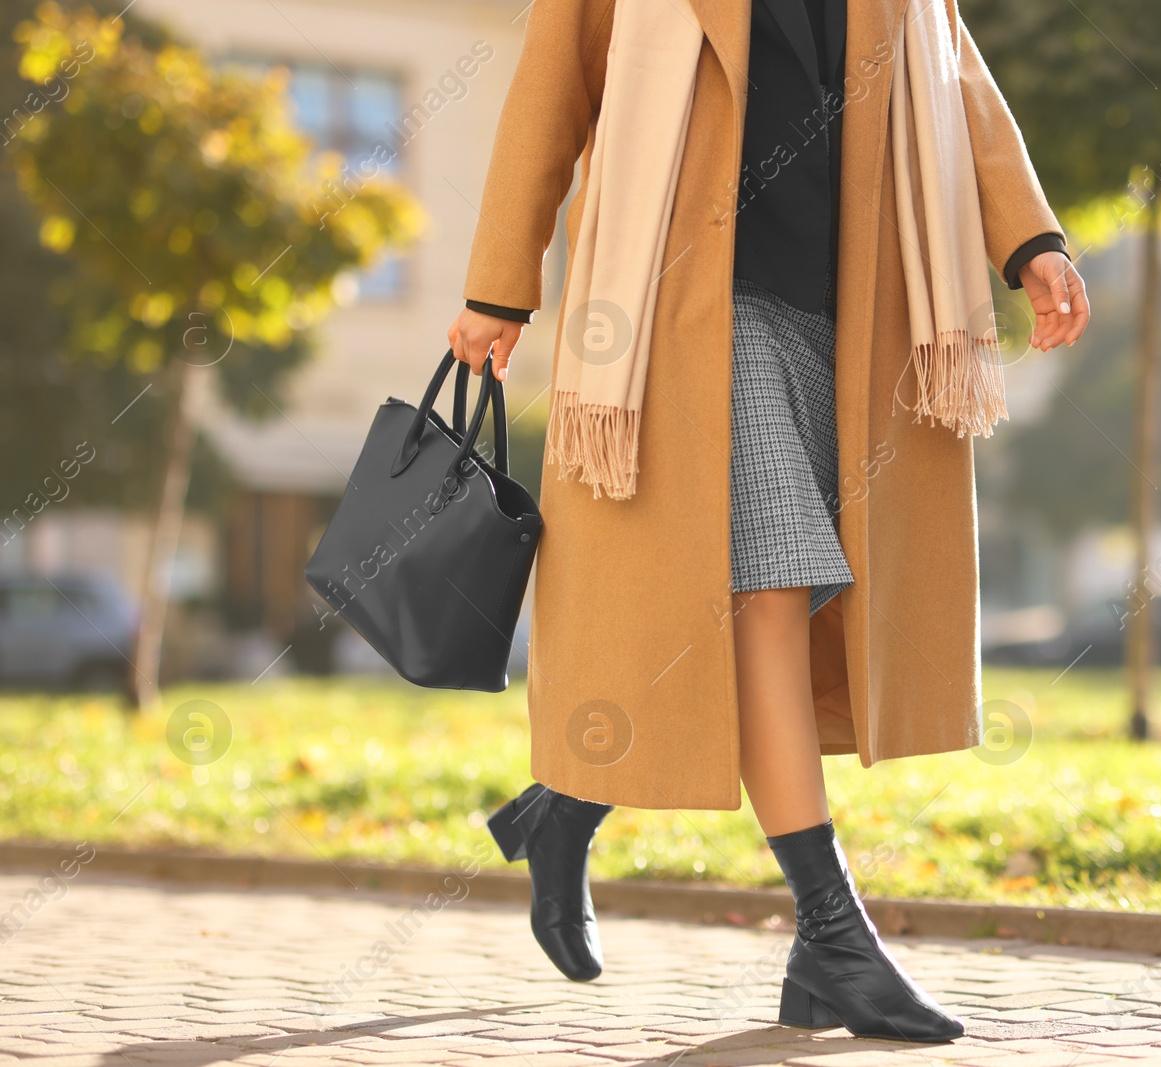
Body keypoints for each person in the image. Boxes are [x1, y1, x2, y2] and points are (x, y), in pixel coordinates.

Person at [449, 0, 1088, 1043]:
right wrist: (496, 288)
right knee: (768, 592)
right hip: (690, 304)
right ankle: (834, 938)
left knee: (767, 604)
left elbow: (953, 70)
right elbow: (550, 89)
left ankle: (565, 803)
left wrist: (1031, 240)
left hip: (857, 309)